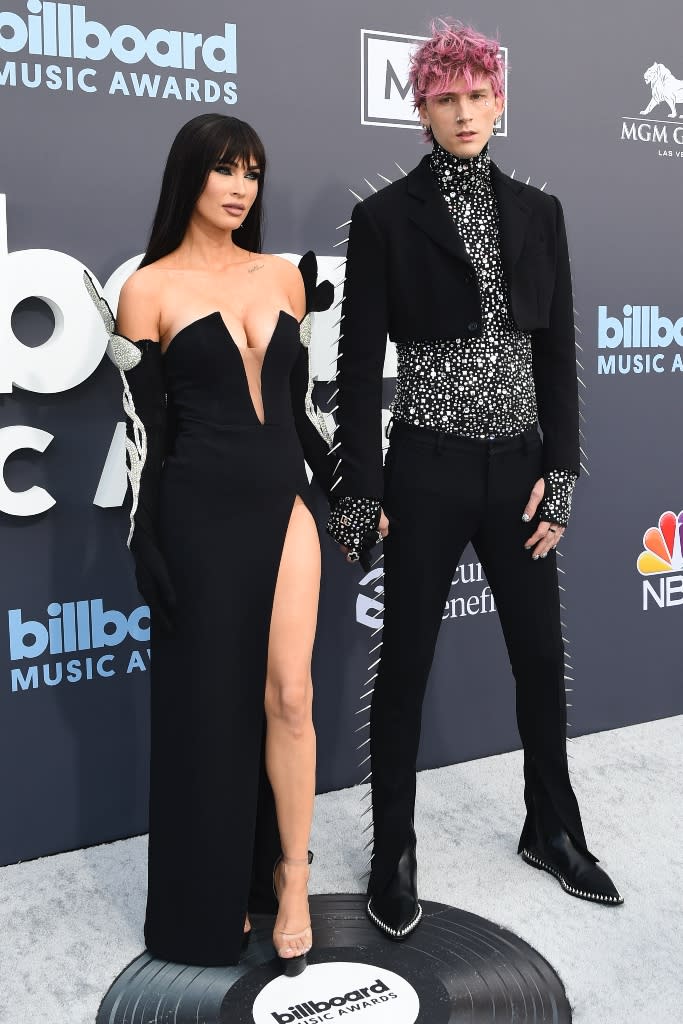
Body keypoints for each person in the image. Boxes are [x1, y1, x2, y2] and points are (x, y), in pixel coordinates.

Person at [327, 20, 622, 940]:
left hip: (521, 473)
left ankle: (552, 828)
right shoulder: (382, 220)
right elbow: (355, 359)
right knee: (403, 667)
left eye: (477, 94)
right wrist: (361, 495)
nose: (463, 111)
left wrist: (561, 474)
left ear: (499, 100)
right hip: (425, 468)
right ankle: (393, 851)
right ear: (419, 108)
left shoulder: (540, 212)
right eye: (445, 97)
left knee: (539, 660)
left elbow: (558, 352)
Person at [86, 113, 334, 972]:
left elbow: (300, 413)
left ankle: (291, 878)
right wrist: (143, 538)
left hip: (283, 501)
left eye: (253, 174)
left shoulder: (284, 278)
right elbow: (144, 436)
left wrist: (341, 488)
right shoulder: (146, 291)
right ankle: (207, 892)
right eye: (224, 170)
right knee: (206, 709)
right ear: (189, 176)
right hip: (195, 510)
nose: (239, 188)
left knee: (291, 696)